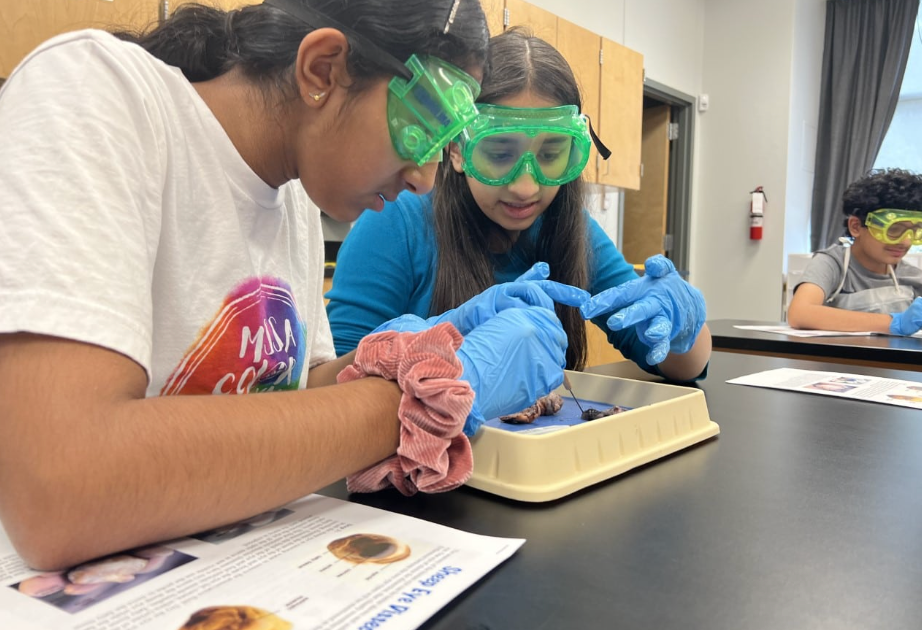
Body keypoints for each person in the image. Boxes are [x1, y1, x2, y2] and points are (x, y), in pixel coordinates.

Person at [0, 1, 573, 571]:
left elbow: (298, 405)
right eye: (421, 125)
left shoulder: (296, 197)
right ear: (322, 68)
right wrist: (422, 398)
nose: (425, 179)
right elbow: (61, 490)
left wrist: (426, 353)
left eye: (441, 139)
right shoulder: (97, 91)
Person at [326, 27, 711, 413]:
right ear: (458, 149)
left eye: (551, 154)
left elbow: (684, 365)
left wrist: (682, 324)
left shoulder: (570, 227)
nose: (526, 187)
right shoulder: (397, 223)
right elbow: (333, 396)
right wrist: (453, 367)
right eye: (499, 152)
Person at [788, 168, 922, 335]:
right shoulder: (833, 263)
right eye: (894, 229)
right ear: (856, 227)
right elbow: (800, 313)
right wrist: (894, 323)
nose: (906, 241)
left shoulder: (913, 277)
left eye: (915, 231)